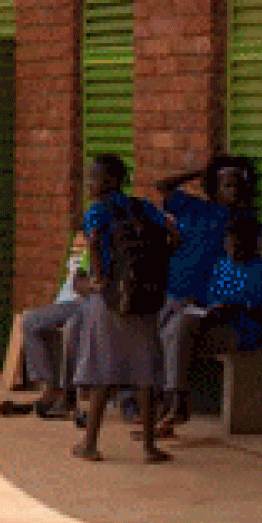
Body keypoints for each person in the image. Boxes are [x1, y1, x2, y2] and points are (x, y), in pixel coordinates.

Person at [154, 154, 262, 426]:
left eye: (237, 185)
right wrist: (200, 171)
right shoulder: (196, 208)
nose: (233, 190)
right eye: (226, 185)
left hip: (203, 302)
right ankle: (149, 403)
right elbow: (163, 186)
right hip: (174, 293)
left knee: (174, 335)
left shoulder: (243, 221)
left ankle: (174, 403)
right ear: (214, 187)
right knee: (154, 336)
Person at [71, 154, 173, 463]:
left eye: (95, 178)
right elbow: (174, 235)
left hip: (110, 299)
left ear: (111, 180)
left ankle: (89, 444)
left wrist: (99, 279)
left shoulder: (97, 212)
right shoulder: (143, 207)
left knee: (103, 371)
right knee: (146, 372)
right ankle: (149, 447)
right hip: (146, 298)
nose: (89, 184)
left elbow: (93, 244)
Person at [151, 212, 262, 436]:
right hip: (213, 325)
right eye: (230, 244)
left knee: (179, 330)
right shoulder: (222, 265)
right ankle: (170, 401)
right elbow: (210, 299)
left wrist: (239, 308)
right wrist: (198, 303)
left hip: (243, 331)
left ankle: (174, 401)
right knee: (171, 320)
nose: (233, 250)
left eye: (239, 245)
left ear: (251, 244)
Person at [0, 231, 92, 419]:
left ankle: (66, 394)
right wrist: (85, 283)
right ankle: (50, 387)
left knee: (73, 327)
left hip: (93, 305)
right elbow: (78, 283)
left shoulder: (113, 249)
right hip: (73, 303)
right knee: (31, 321)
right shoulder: (90, 251)